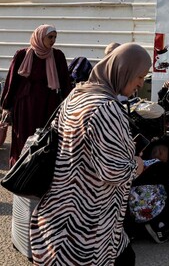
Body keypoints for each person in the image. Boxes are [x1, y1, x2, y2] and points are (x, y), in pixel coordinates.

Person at [29, 43, 151, 265]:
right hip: (87, 225)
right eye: (139, 76)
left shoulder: (78, 94)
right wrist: (137, 163)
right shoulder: (107, 108)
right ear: (123, 70)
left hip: (61, 213)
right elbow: (114, 172)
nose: (141, 83)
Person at [1, 24, 72, 166]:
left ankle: (38, 170)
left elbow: (65, 82)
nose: (53, 40)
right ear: (40, 37)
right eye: (50, 37)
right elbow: (11, 82)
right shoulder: (22, 54)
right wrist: (6, 106)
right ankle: (20, 168)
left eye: (55, 37)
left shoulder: (57, 56)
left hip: (47, 104)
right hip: (25, 104)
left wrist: (69, 103)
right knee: (23, 136)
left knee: (44, 137)